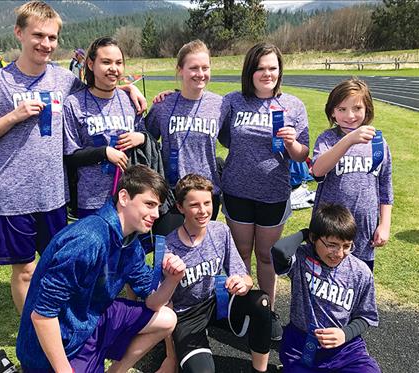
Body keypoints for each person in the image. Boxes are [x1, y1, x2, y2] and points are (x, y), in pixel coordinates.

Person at [0, 1, 146, 314]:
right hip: (14, 193)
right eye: (38, 35)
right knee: (24, 271)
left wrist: (129, 89)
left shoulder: (64, 81)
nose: (45, 44)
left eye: (52, 37)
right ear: (19, 33)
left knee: (58, 264)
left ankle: (56, 321)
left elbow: (101, 85)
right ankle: (31, 334)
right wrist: (13, 116)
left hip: (54, 193)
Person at [16, 165, 187, 373]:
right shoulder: (89, 239)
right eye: (149, 204)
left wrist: (172, 279)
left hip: (91, 316)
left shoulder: (131, 242)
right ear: (124, 197)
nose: (156, 214)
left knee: (167, 319)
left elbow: (152, 302)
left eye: (157, 207)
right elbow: (42, 315)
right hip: (61, 336)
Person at [218, 42, 309, 340]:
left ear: (280, 70)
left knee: (266, 256)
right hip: (237, 191)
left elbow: (302, 154)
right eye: (260, 68)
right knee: (241, 253)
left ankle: (266, 310)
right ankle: (245, 305)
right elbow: (213, 128)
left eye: (272, 67)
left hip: (273, 193)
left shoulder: (293, 105)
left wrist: (292, 143)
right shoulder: (232, 101)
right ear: (250, 71)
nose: (267, 73)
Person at [163, 174, 273, 373]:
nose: (203, 211)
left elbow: (245, 276)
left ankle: (260, 370)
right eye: (194, 205)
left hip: (216, 303)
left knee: (261, 302)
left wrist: (243, 283)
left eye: (207, 202)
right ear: (180, 207)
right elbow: (165, 306)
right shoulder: (169, 248)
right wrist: (170, 356)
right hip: (186, 315)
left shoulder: (220, 231)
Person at [271, 203, 380, 373]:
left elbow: (367, 316)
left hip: (345, 349)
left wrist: (345, 333)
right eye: (332, 244)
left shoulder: (360, 272)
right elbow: (279, 251)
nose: (339, 253)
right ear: (314, 238)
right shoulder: (301, 258)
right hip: (301, 344)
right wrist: (306, 233)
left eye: (346, 246)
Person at [311, 78, 393, 271]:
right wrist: (348, 140)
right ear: (332, 111)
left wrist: (385, 225)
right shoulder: (327, 139)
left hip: (363, 232)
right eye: (341, 109)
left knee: (358, 283)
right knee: (326, 286)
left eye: (357, 108)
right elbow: (318, 170)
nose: (350, 115)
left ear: (367, 110)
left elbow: (385, 187)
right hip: (329, 231)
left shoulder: (378, 143)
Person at [146, 40, 227, 234]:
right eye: (193, 68)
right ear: (180, 70)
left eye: (205, 67)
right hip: (171, 196)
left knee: (198, 253)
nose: (200, 73)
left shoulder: (220, 105)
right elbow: (146, 140)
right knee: (167, 256)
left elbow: (236, 139)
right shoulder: (163, 105)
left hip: (206, 195)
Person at [63, 37, 147, 219]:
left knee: (127, 247)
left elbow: (146, 136)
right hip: (91, 200)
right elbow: (70, 155)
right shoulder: (74, 103)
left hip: (130, 196)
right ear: (91, 64)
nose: (114, 69)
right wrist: (104, 152)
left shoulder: (130, 100)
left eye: (119, 63)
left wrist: (141, 137)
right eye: (106, 62)